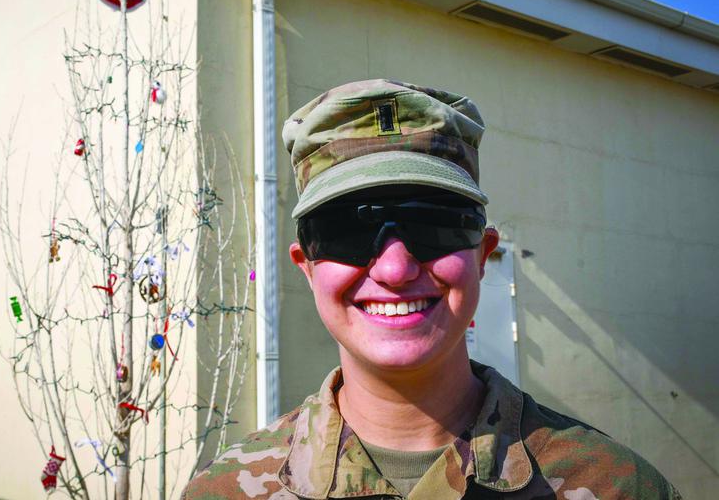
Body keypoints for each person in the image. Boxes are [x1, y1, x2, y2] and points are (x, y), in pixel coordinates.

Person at [182, 79, 681, 499]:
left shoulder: (616, 486)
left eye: (436, 225)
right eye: (349, 230)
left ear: (483, 256)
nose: (396, 269)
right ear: (307, 266)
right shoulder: (225, 491)